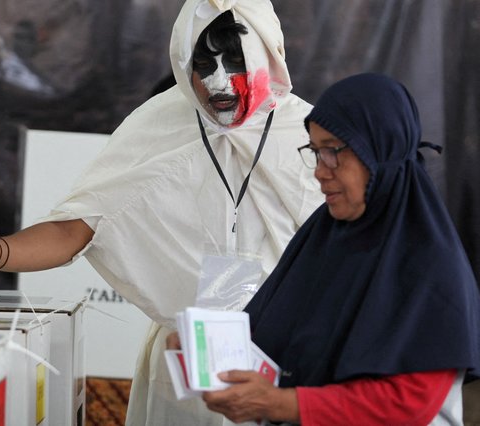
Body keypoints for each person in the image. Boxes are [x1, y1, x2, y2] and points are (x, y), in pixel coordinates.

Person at [0, 1, 323, 424]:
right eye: (203, 63)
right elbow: (78, 227)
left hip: (286, 365)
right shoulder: (159, 126)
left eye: (235, 60)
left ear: (269, 53)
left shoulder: (310, 134)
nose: (218, 80)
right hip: (184, 367)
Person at [191, 73, 480, 425]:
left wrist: (283, 405)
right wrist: (207, 349)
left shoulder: (430, 265)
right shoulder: (324, 237)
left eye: (332, 151)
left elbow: (411, 402)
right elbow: (270, 342)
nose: (319, 172)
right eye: (315, 152)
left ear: (377, 150)